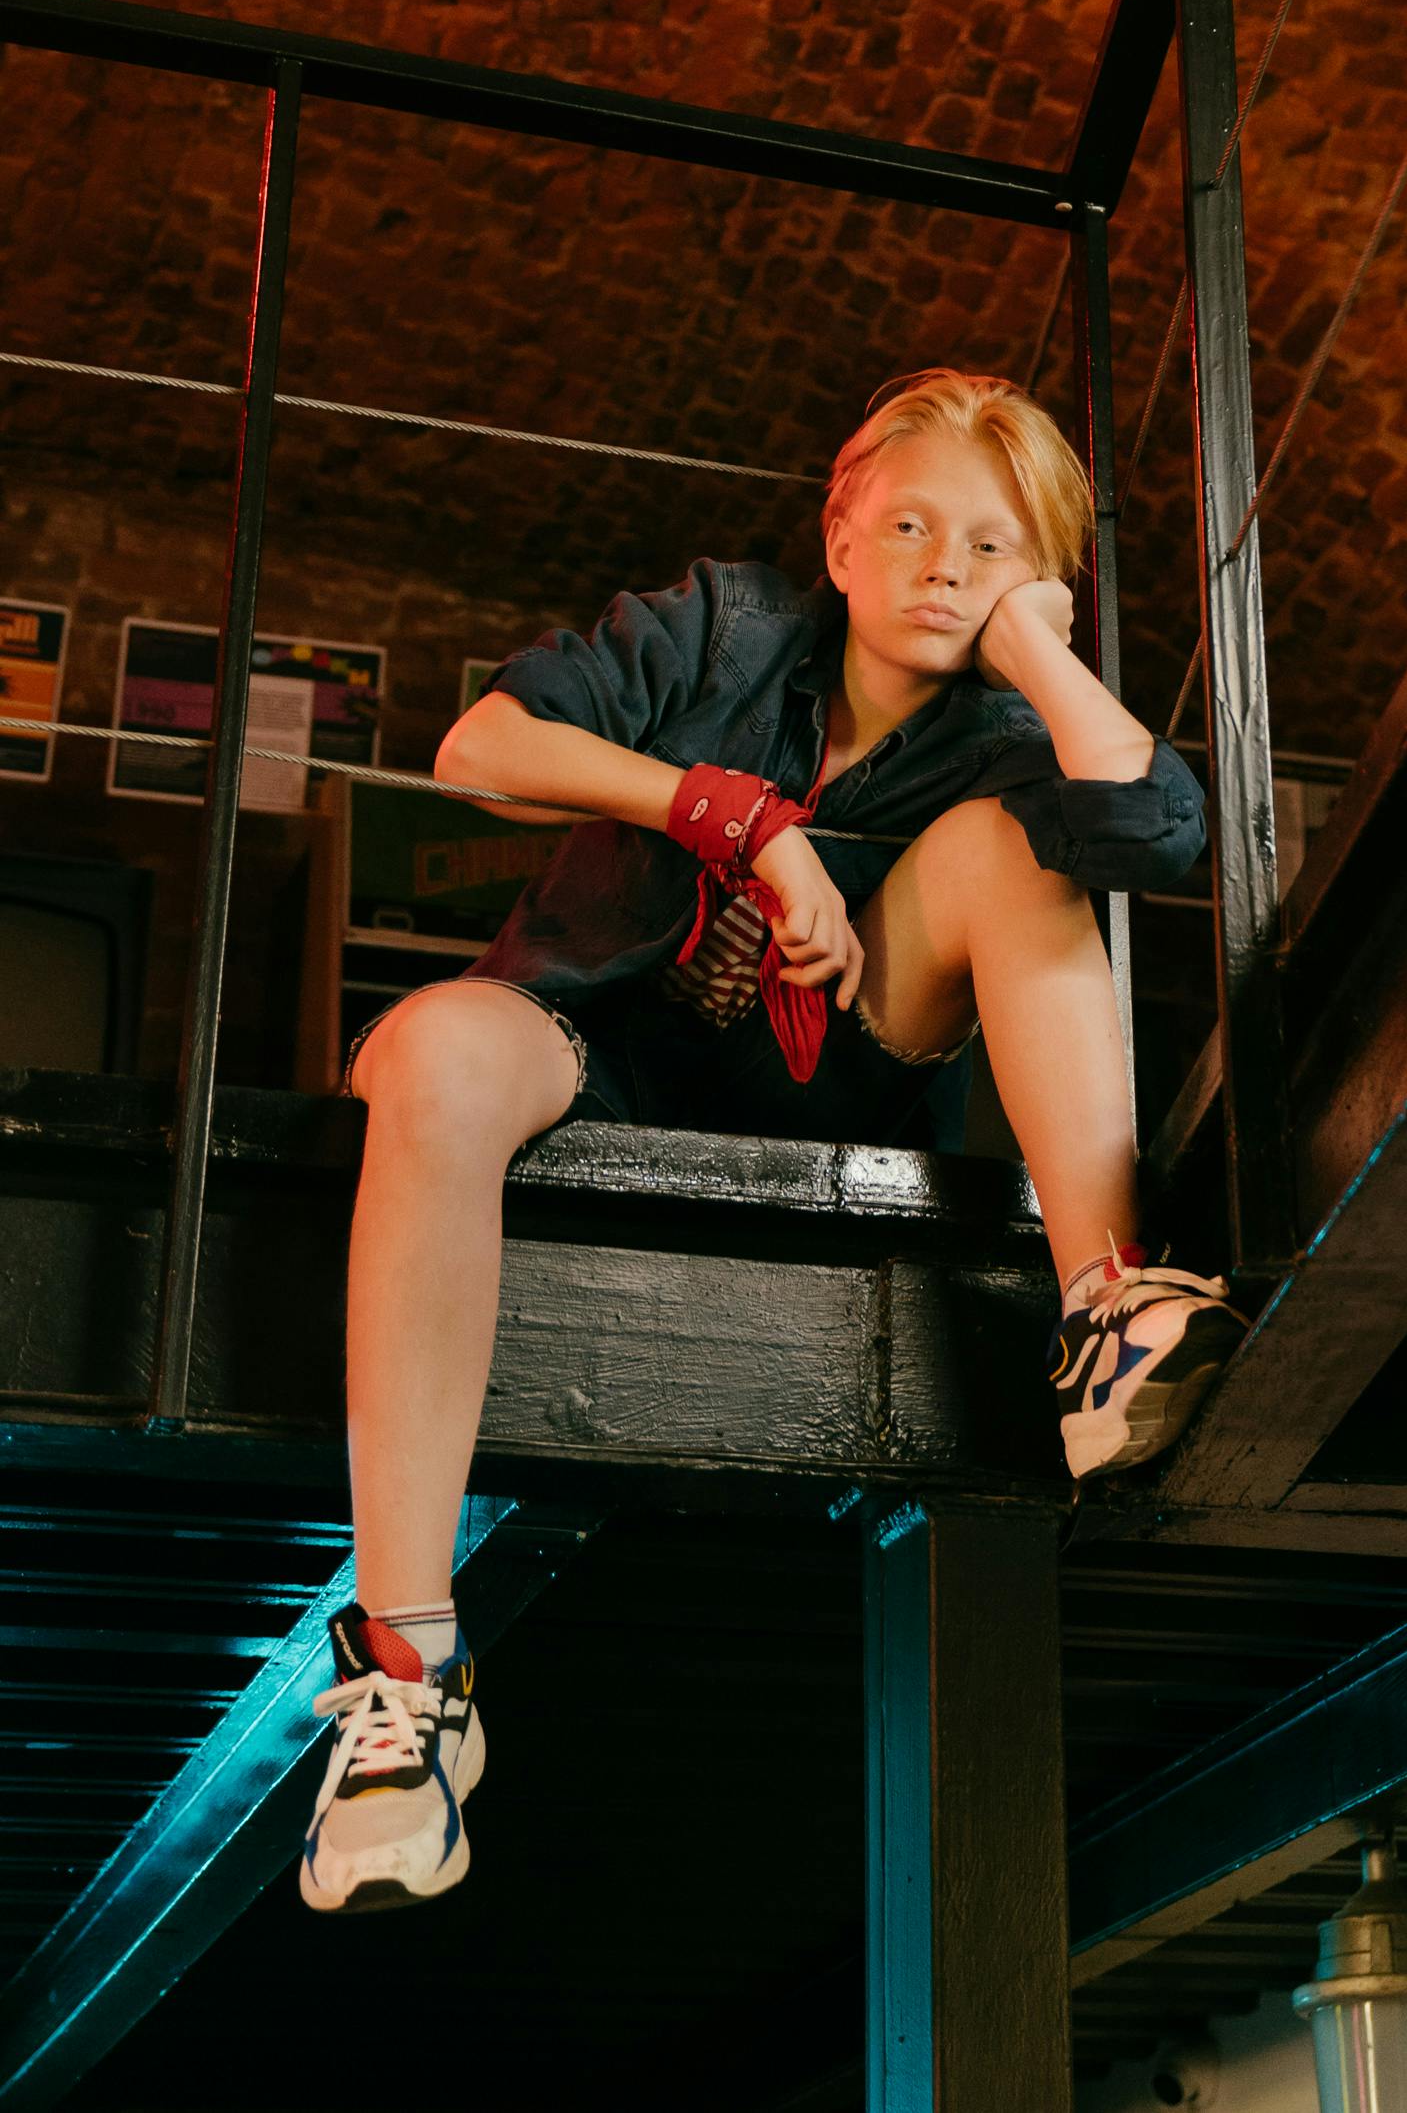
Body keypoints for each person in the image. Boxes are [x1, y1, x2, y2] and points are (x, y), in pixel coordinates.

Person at [301, 368, 1242, 1916]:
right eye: (917, 525)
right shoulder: (724, 628)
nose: (945, 565)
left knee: (1022, 850)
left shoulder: (1011, 734)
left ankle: (1103, 1311)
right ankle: (410, 1681)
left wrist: (1039, 656)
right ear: (842, 531)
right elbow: (479, 746)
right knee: (423, 1050)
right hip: (590, 1044)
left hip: (839, 1086)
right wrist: (732, 817)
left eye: (994, 548)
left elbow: (1157, 836)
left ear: (1042, 584)